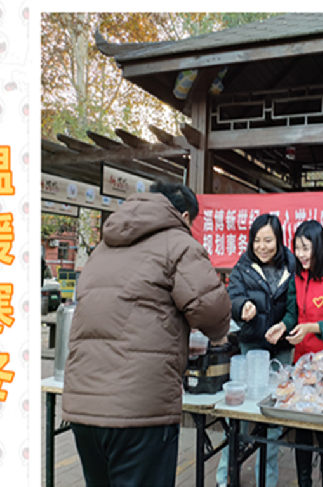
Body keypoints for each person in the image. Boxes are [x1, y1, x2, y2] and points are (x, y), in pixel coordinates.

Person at [62, 181, 231, 486]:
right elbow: (213, 314)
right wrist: (216, 331)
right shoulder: (179, 243)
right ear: (183, 216)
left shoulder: (103, 247)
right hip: (140, 410)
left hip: (84, 407)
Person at [265, 220, 323, 487]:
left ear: (320, 247)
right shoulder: (298, 275)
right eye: (298, 248)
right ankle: (304, 482)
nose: (301, 254)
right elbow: (293, 313)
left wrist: (309, 328)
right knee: (301, 428)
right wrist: (283, 326)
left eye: (306, 248)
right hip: (303, 363)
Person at [215, 213, 296, 487]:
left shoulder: (292, 265)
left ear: (279, 240)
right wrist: (242, 307)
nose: (262, 246)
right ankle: (225, 476)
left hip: (281, 349)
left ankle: (267, 480)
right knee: (239, 413)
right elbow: (233, 296)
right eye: (257, 240)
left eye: (268, 240)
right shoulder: (244, 265)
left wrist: (285, 326)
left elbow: (297, 304)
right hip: (251, 347)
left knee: (273, 419)